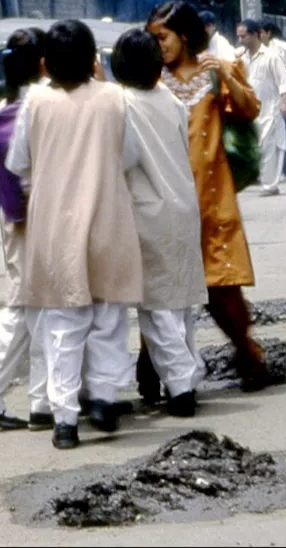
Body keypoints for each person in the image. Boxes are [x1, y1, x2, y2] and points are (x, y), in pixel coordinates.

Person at [7, 19, 143, 450]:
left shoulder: (35, 101)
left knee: (63, 326)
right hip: (108, 217)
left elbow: (18, 162)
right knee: (107, 317)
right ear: (93, 60)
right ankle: (102, 397)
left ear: (45, 63)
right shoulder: (116, 98)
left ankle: (64, 419)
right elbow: (131, 156)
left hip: (55, 225)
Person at [153, 1, 274, 393]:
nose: (158, 46)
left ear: (184, 36)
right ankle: (151, 369)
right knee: (161, 290)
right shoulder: (151, 78)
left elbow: (249, 108)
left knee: (222, 287)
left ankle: (247, 353)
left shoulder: (215, 71)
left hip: (212, 195)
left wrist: (226, 73)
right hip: (165, 197)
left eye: (163, 37)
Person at [110, 28, 207, 417]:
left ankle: (182, 385)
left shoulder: (121, 104)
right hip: (183, 204)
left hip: (146, 210)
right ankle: (186, 372)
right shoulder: (171, 100)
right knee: (180, 303)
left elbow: (124, 159)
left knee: (155, 307)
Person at [0, 28, 51, 431]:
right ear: (42, 64)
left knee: (35, 308)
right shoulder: (41, 113)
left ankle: (41, 400)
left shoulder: (3, 114)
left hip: (15, 217)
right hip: (37, 219)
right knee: (29, 308)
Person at [237, 19, 286, 196]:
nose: (240, 39)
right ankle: (259, 178)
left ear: (255, 34)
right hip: (250, 111)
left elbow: (283, 82)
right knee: (255, 146)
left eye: (243, 36)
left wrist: (284, 102)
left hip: (271, 109)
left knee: (269, 146)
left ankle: (270, 185)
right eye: (239, 36)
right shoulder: (242, 59)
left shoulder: (271, 56)